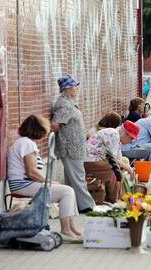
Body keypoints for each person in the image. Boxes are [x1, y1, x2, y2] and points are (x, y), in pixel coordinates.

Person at [7, 115, 81, 240]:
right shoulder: (27, 144)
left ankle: (71, 226)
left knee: (68, 190)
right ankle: (66, 229)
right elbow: (31, 172)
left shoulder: (23, 142)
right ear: (39, 130)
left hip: (22, 184)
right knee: (67, 191)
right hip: (22, 185)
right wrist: (50, 181)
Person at [51, 74, 97, 214]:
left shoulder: (68, 102)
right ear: (68, 88)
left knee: (73, 178)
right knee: (78, 177)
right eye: (74, 86)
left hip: (74, 147)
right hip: (70, 148)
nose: (77, 88)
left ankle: (74, 205)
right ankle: (87, 206)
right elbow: (55, 124)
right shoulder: (64, 104)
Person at [85, 120, 140, 203]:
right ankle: (114, 200)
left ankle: (120, 196)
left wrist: (127, 168)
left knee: (123, 162)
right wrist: (129, 169)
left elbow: (119, 158)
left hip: (97, 160)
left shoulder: (118, 139)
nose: (131, 141)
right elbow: (113, 160)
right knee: (115, 170)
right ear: (125, 134)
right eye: (131, 138)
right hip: (89, 160)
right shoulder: (113, 134)